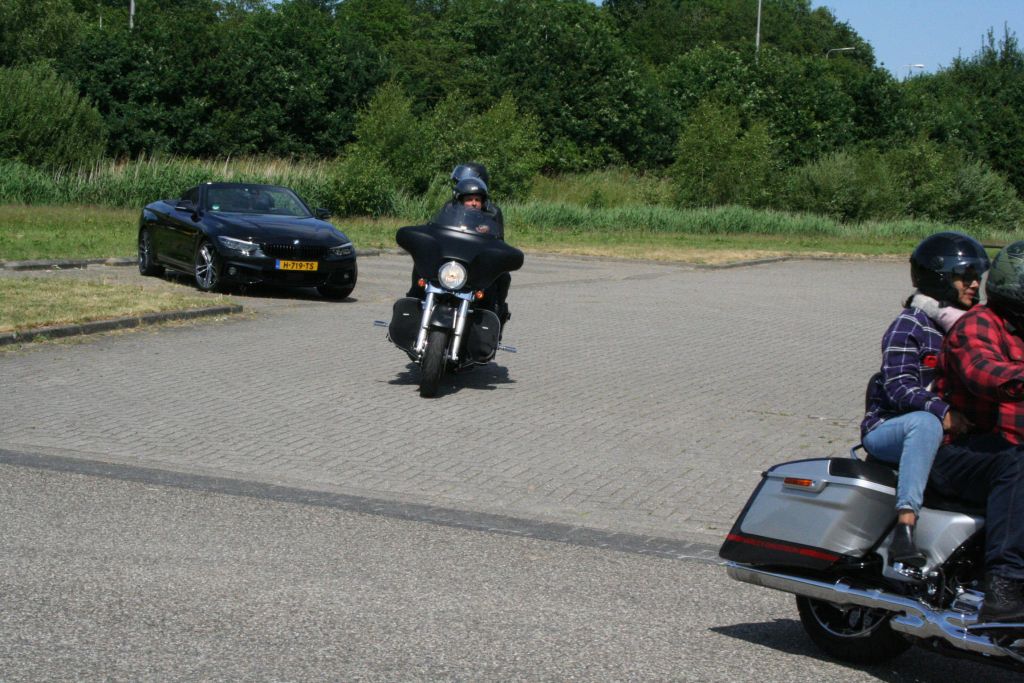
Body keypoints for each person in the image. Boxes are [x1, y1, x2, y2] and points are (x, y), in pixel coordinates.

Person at [861, 232, 987, 567]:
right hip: (889, 427)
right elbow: (898, 387)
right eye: (965, 276)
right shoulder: (910, 325)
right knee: (925, 422)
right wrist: (943, 411)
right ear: (940, 278)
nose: (975, 283)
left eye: (977, 276)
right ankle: (905, 528)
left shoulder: (967, 327)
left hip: (941, 431)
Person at [931, 240, 1024, 622]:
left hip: (999, 449)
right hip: (957, 451)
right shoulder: (978, 324)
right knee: (1019, 463)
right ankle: (1005, 585)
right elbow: (983, 373)